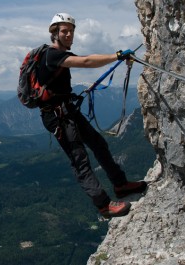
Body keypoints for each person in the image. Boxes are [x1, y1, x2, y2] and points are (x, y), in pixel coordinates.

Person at [37, 12, 147, 218]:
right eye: (64, 31)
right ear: (55, 33)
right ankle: (103, 205)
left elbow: (82, 63)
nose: (69, 35)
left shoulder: (58, 55)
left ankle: (121, 185)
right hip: (58, 116)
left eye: (71, 31)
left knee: (98, 143)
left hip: (66, 110)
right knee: (80, 160)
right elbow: (86, 61)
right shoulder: (52, 55)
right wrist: (117, 55)